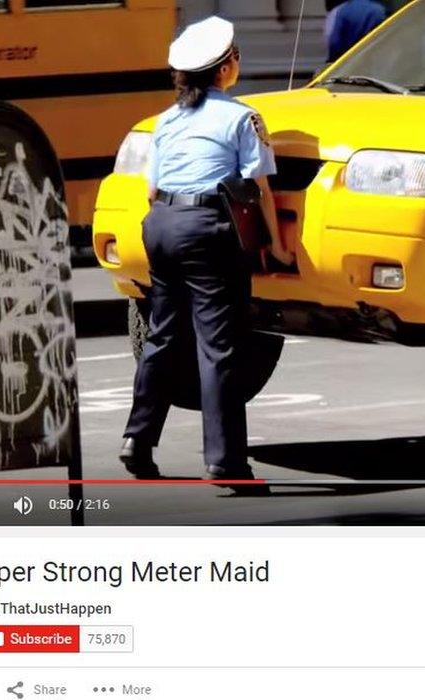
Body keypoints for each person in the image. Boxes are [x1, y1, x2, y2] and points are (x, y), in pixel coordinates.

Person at [119, 15, 292, 494]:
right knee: (218, 347)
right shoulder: (241, 117)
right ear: (223, 70)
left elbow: (152, 190)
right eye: (236, 56)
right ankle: (226, 463)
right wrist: (275, 246)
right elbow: (260, 189)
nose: (239, 63)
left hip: (161, 226)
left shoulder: (166, 121)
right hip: (206, 230)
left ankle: (137, 440)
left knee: (162, 337)